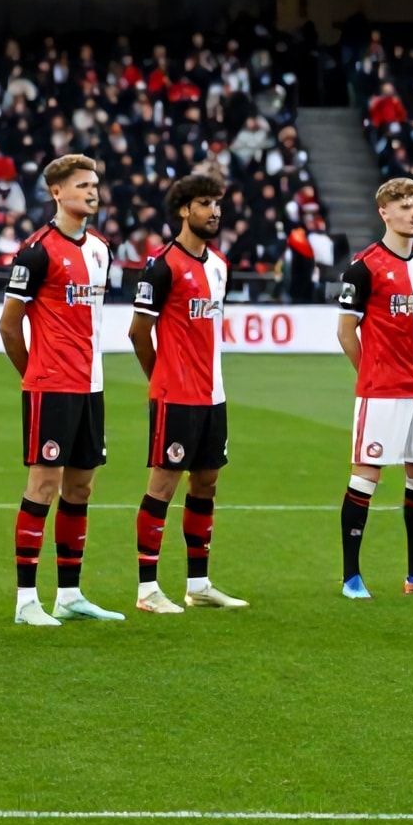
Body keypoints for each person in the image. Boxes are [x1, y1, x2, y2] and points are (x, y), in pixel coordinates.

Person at [0, 153, 124, 626]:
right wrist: (36, 375)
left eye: (95, 184)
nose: (92, 191)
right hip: (52, 387)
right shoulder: (36, 251)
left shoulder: (100, 249)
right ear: (57, 193)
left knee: (81, 486)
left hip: (91, 386)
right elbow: (9, 327)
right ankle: (26, 600)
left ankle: (69, 594)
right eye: (82, 185)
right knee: (43, 485)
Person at [126, 174, 250, 615]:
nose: (214, 211)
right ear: (183, 210)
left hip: (212, 394)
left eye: (217, 203)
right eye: (204, 203)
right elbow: (138, 332)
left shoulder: (218, 265)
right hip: (175, 395)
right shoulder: (162, 266)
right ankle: (147, 589)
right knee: (163, 484)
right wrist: (161, 378)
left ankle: (198, 584)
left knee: (207, 483)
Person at [336, 178, 413, 599]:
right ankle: (351, 576)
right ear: (383, 212)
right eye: (404, 205)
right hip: (382, 390)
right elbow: (345, 331)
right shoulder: (364, 266)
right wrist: (370, 373)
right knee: (368, 474)